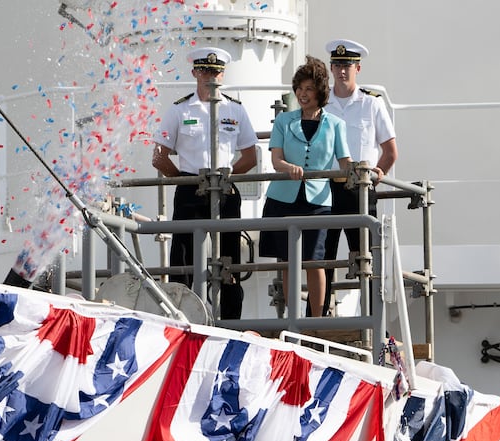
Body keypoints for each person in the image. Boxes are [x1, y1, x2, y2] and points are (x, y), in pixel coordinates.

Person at [152, 46, 258, 320]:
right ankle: (182, 318)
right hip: (191, 186)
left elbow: (250, 156)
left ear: (222, 74)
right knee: (184, 261)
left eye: (215, 70)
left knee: (229, 261)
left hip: (225, 187)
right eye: (204, 70)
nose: (210, 75)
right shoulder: (179, 110)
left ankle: (232, 322)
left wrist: (228, 175)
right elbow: (158, 156)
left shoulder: (236, 110)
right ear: (195, 73)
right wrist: (183, 180)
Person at [259, 55, 352, 318]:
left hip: (318, 201)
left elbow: (345, 162)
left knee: (315, 260)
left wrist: (357, 171)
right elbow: (276, 159)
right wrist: (290, 168)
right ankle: (293, 319)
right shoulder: (283, 121)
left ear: (320, 92)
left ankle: (316, 319)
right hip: (283, 199)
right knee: (289, 261)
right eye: (299, 88)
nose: (302, 94)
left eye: (308, 88)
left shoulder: (336, 125)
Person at [322, 39, 398, 316]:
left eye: (347, 66)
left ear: (358, 68)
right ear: (331, 68)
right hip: (326, 188)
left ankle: (371, 318)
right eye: (338, 65)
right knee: (322, 255)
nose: (342, 71)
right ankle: (317, 315)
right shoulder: (321, 105)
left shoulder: (372, 105)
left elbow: (390, 151)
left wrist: (379, 174)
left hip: (360, 190)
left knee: (365, 255)